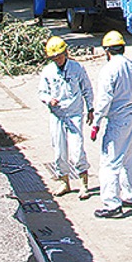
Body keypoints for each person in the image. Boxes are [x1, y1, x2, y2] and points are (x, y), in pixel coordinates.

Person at [90, 30, 132, 218]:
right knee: (127, 159)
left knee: (109, 163)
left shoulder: (108, 70)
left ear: (107, 51)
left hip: (118, 120)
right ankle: (131, 195)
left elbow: (104, 100)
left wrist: (96, 122)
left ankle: (111, 204)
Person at [37, 36, 94, 199]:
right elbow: (42, 92)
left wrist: (90, 108)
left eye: (59, 56)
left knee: (77, 149)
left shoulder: (77, 68)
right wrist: (49, 100)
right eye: (54, 58)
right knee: (59, 150)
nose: (58, 60)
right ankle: (64, 182)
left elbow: (87, 88)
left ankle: (83, 184)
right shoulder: (48, 71)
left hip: (74, 114)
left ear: (65, 53)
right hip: (57, 115)